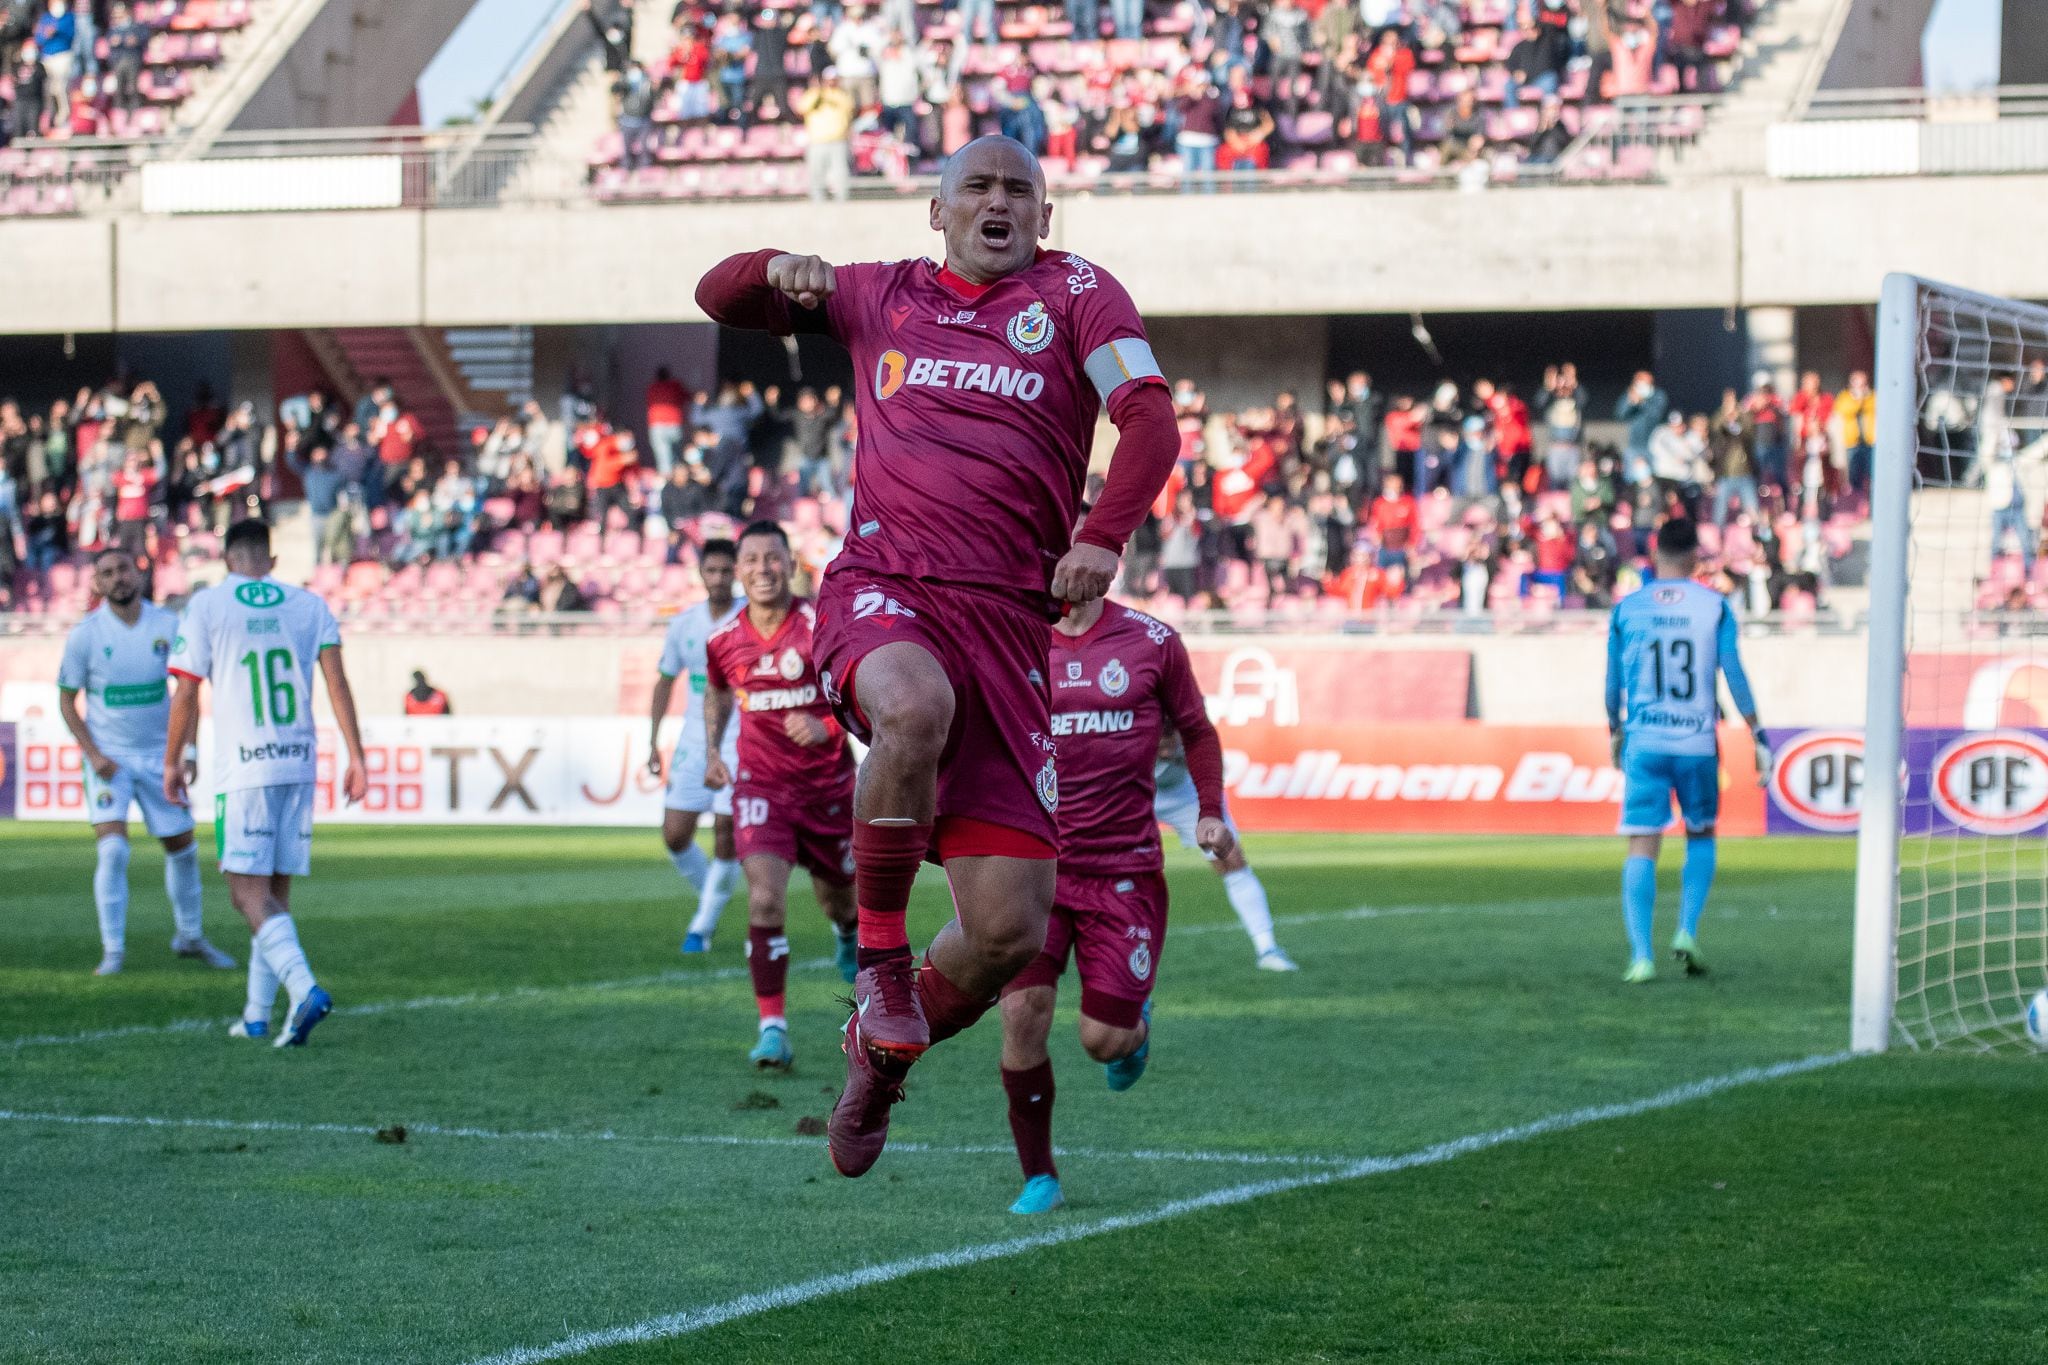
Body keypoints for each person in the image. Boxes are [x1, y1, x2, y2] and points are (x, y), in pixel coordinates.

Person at [694, 134, 1179, 1178]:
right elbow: (715, 294)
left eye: (1019, 190)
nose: (998, 202)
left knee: (1006, 932)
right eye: (978, 187)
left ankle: (874, 1061)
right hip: (887, 590)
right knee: (909, 707)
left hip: (1010, 634)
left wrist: (1101, 534)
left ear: (1044, 217)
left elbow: (1147, 421)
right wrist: (771, 267)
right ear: (936, 209)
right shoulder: (880, 296)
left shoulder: (1081, 295)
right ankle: (876, 963)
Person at [999, 593, 1232, 1215]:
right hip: (1033, 869)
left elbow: (1197, 731)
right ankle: (1038, 1175)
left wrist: (1209, 812)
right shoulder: (1013, 637)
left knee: (1103, 1041)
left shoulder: (1152, 641)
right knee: (1021, 1012)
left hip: (1122, 872)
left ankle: (1135, 1031)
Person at [165, 519, 369, 1044]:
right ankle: (256, 1016)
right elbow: (337, 681)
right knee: (274, 893)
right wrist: (357, 757)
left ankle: (304, 990)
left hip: (244, 765)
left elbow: (185, 692)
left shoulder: (208, 605)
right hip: (298, 760)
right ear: (272, 561)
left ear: (228, 558)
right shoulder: (309, 605)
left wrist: (174, 760)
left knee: (244, 894)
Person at [702, 521, 862, 1069]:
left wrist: (829, 727)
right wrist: (712, 751)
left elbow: (862, 694)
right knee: (765, 898)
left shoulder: (822, 627)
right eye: (752, 559)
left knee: (841, 899)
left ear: (790, 565)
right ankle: (772, 1028)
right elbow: (719, 693)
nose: (762, 568)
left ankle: (846, 930)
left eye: (773, 558)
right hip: (761, 787)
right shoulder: (723, 640)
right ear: (738, 570)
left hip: (829, 791)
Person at [1604, 518, 1769, 984]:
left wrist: (1614, 727)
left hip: (1645, 741)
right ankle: (1686, 931)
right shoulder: (1713, 606)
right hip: (1697, 742)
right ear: (1696, 558)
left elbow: (1612, 680)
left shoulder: (1627, 608)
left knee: (1642, 842)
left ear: (1653, 554)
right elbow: (1733, 672)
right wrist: (1757, 733)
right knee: (1700, 834)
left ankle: (1641, 956)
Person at [58, 548, 236, 976]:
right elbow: (66, 702)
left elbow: (187, 693)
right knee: (114, 850)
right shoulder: (85, 634)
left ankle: (190, 937)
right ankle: (113, 950)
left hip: (162, 757)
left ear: (138, 572)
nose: (117, 578)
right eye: (106, 573)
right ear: (97, 584)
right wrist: (94, 754)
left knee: (183, 849)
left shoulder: (167, 625)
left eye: (123, 568)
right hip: (109, 761)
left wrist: (186, 751)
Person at [647, 539, 750, 956]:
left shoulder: (750, 619)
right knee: (675, 835)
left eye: (727, 571)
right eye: (712, 571)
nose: (720, 579)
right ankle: (715, 895)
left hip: (742, 737)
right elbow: (664, 680)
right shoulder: (685, 623)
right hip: (694, 740)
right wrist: (652, 742)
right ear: (701, 574)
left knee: (727, 833)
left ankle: (702, 926)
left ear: (736, 573)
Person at [1153, 728, 1296, 970]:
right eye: (1162, 743)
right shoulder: (1125, 724)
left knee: (1231, 860)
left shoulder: (1190, 723)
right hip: (1133, 789)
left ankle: (1267, 949)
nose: (1167, 749)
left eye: (1172, 741)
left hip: (1186, 793)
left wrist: (1184, 758)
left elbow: (1215, 765)